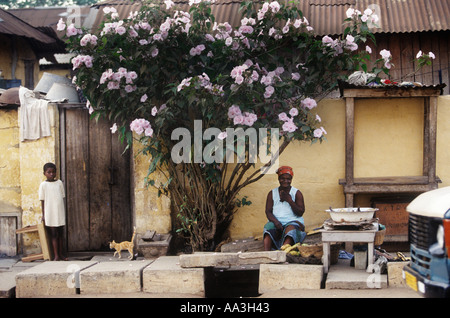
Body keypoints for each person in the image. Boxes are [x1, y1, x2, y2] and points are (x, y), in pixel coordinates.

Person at [263, 166, 306, 251]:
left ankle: (282, 253)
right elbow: (268, 211)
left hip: (293, 222)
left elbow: (300, 212)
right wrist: (276, 222)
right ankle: (266, 254)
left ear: (291, 179)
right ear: (278, 179)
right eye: (283, 178)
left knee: (291, 231)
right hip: (276, 221)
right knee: (268, 228)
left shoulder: (297, 193)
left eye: (288, 179)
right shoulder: (272, 193)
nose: (285, 181)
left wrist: (289, 200)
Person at [39, 162, 67, 261]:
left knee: (60, 233)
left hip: (59, 211)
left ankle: (61, 254)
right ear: (44, 173)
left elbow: (62, 197)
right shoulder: (43, 185)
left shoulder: (59, 183)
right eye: (49, 172)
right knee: (54, 234)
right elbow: (42, 200)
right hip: (50, 212)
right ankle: (56, 256)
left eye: (53, 172)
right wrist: (43, 215)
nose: (51, 174)